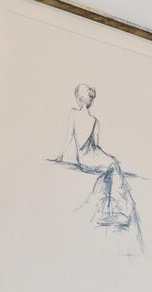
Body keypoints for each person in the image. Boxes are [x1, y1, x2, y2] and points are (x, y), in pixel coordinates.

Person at [52, 84, 144, 253]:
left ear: (79, 99)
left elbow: (69, 137)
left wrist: (60, 156)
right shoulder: (94, 120)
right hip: (89, 158)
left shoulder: (76, 114)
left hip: (86, 158)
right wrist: (61, 157)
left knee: (113, 164)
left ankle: (115, 210)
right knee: (113, 164)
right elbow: (95, 145)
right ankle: (119, 210)